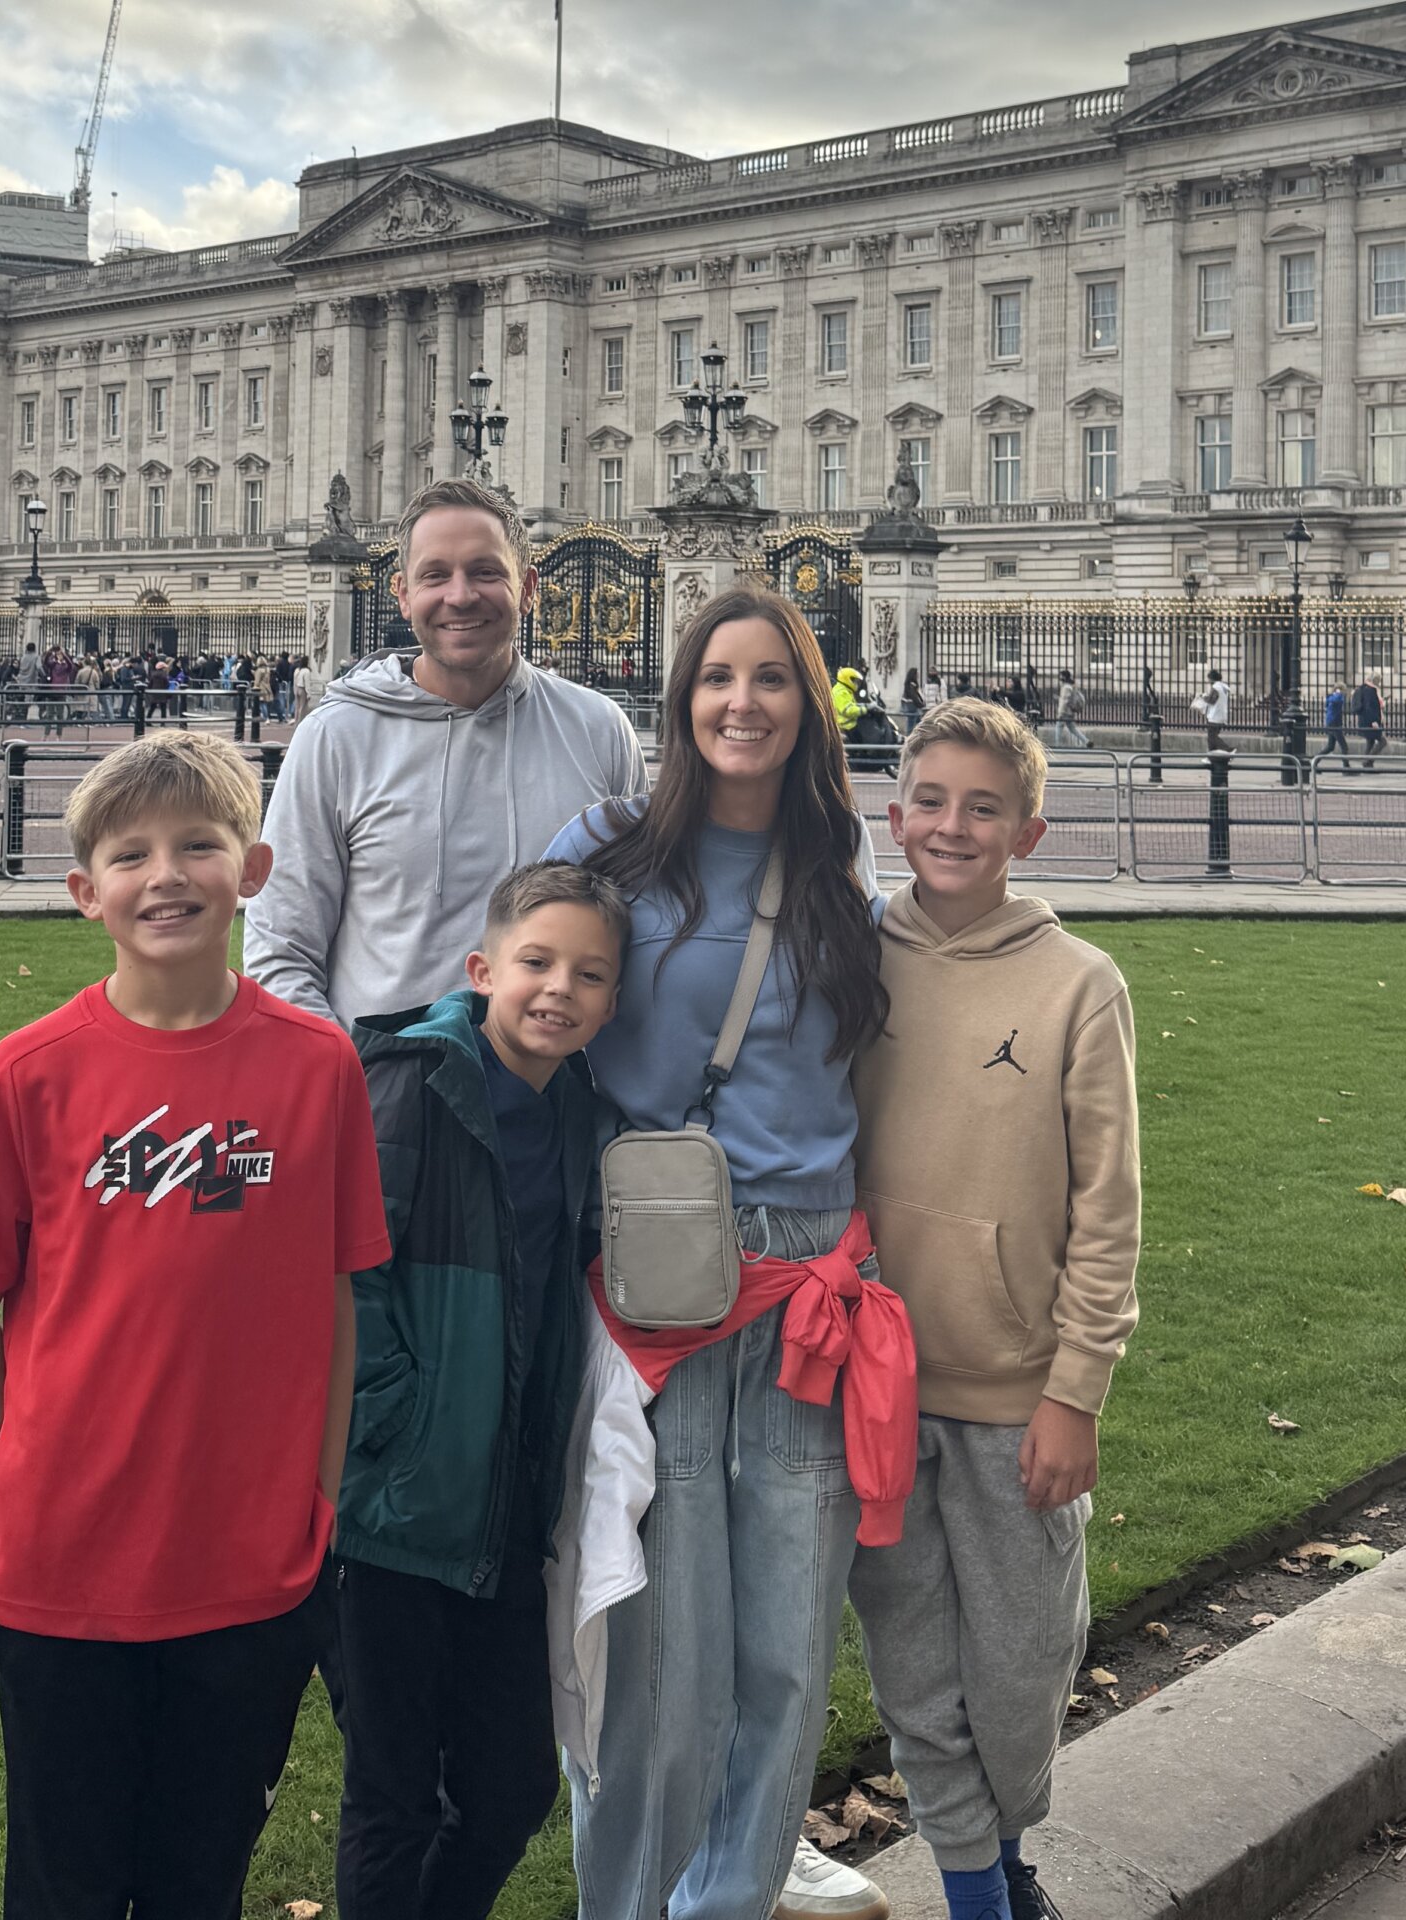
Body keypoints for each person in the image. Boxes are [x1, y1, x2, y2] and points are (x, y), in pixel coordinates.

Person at [0, 732, 392, 1920]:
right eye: (130, 855)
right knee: (63, 1884)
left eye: (198, 845)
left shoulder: (317, 1065)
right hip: (64, 1560)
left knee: (200, 1876)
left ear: (254, 869)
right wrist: (31, 1448)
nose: (166, 875)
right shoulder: (29, 1072)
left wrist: (318, 1489)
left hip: (251, 1560)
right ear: (86, 893)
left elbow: (337, 1294)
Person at [547, 582, 915, 1920]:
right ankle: (627, 1900)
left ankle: (731, 1896)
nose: (740, 704)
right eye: (716, 678)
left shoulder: (835, 862)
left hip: (812, 1276)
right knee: (661, 1647)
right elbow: (531, 1005)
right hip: (665, 1272)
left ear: (808, 705)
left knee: (787, 1636)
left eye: (768, 679)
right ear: (681, 699)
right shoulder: (611, 848)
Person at [850, 698, 1140, 1920]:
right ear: (893, 814)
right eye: (929, 801)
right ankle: (979, 1890)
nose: (951, 827)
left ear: (1028, 833)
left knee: (1021, 1672)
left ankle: (1005, 1853)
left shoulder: (1080, 984)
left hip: (1015, 1396)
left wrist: (1076, 1392)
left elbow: (1108, 1210)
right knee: (913, 1667)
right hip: (871, 1388)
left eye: (982, 808)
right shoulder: (850, 957)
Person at [331, 860, 628, 1920]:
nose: (559, 990)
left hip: (501, 1511)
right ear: (481, 969)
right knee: (394, 1799)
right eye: (536, 962)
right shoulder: (412, 1081)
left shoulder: (578, 1106)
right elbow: (343, 1270)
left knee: (510, 1788)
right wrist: (390, 1422)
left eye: (589, 975)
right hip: (389, 1517)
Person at [247, 476, 646, 1029]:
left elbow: (637, 928)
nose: (460, 596)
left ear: (528, 588)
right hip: (383, 1076)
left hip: (562, 1079)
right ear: (403, 594)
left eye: (485, 572)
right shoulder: (334, 737)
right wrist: (348, 1069)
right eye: (435, 575)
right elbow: (281, 948)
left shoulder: (600, 730)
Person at [1191, 666, 1230, 754]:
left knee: (1212, 738)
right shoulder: (1224, 687)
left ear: (1212, 678)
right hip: (1221, 715)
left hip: (1215, 716)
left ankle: (1227, 749)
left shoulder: (1216, 687)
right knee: (1211, 739)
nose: (1208, 681)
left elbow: (1211, 700)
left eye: (1209, 679)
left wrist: (1203, 697)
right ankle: (1212, 755)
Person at [1351, 672, 1385, 772]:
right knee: (1382, 741)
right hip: (1371, 722)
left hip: (1364, 720)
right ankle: (1368, 761)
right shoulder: (1370, 690)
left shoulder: (1363, 688)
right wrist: (1374, 721)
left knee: (1370, 742)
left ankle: (1368, 765)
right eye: (1379, 680)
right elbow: (1369, 707)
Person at [1052, 670, 1088, 751]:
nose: (1060, 678)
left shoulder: (1066, 687)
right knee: (1072, 729)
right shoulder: (1071, 686)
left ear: (1064, 677)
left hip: (1065, 712)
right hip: (1069, 712)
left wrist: (1060, 713)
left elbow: (1065, 701)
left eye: (1061, 676)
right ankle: (1086, 741)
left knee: (1058, 727)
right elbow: (1066, 699)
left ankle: (1057, 745)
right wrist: (1058, 698)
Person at [1318, 682, 1349, 765]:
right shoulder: (1337, 697)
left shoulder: (1331, 697)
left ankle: (1315, 760)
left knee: (1330, 747)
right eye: (1344, 690)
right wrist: (1338, 693)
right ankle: (1346, 766)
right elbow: (1337, 700)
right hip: (1334, 723)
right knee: (1344, 746)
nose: (1345, 692)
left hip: (1331, 722)